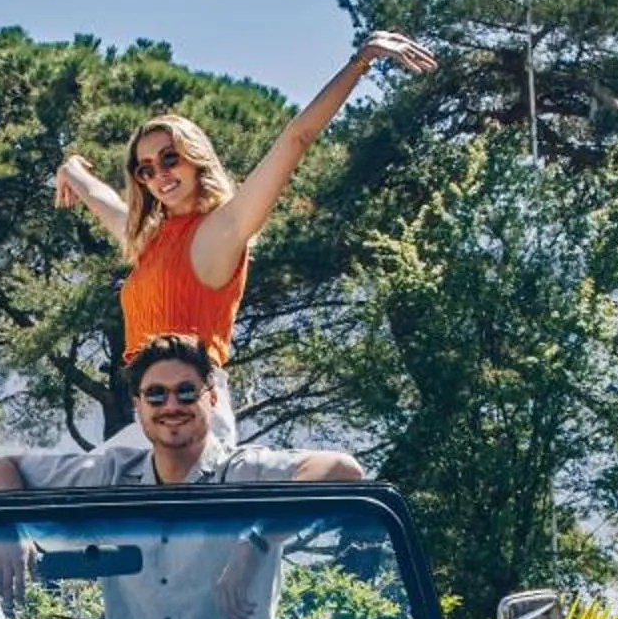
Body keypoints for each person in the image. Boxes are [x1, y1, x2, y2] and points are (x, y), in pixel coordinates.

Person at [51, 27, 438, 442]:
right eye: (146, 169)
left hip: (195, 409)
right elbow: (98, 196)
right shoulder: (148, 240)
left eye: (169, 158)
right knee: (35, 482)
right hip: (150, 409)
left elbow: (296, 138)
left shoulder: (222, 229)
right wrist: (71, 166)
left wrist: (360, 62)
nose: (159, 174)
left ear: (196, 159)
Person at [0, 334, 363, 619]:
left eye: (186, 392)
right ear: (138, 406)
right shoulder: (110, 476)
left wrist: (257, 538)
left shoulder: (244, 472)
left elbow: (343, 471)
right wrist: (7, 525)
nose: (171, 405)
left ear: (210, 398)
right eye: (156, 394)